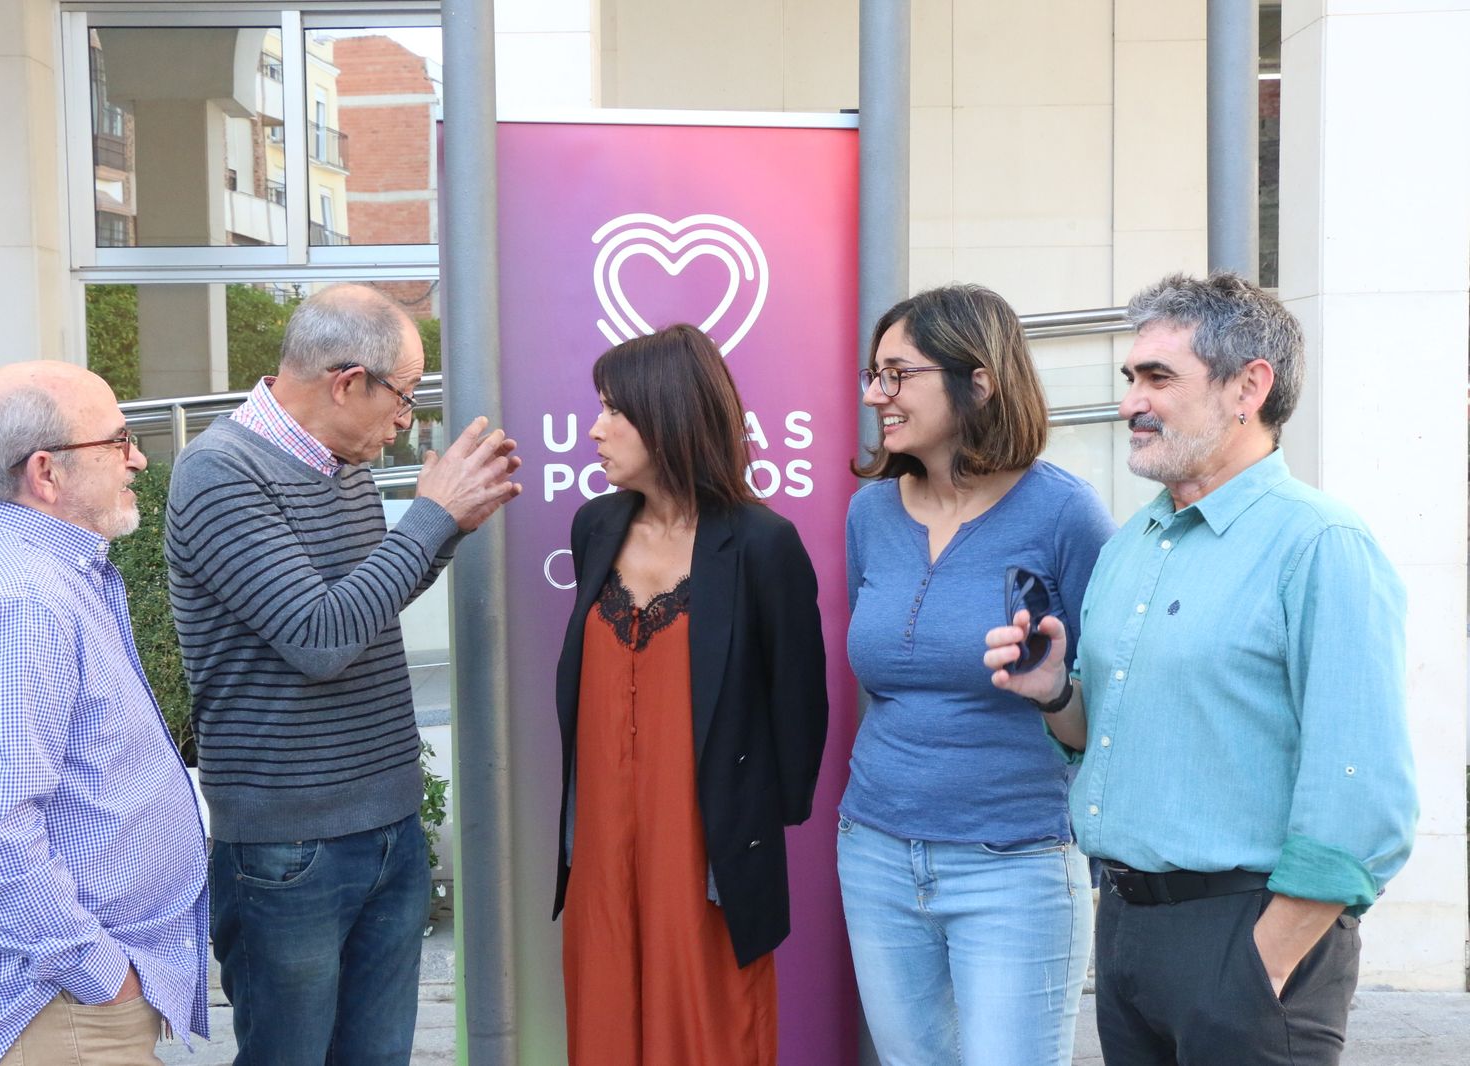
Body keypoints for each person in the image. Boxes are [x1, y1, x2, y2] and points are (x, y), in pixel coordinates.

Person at [985, 272, 1417, 1066]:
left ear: (1250, 386)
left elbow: (1365, 797)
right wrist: (1053, 693)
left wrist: (1264, 962)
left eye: (1159, 378)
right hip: (1126, 932)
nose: (1130, 403)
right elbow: (1103, 736)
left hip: (1248, 942)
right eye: (1130, 378)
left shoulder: (1320, 546)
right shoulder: (1131, 545)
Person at [165, 284, 520, 1065]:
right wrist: (429, 518)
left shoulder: (342, 463)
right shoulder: (219, 472)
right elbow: (319, 637)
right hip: (289, 844)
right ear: (347, 381)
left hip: (386, 824)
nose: (407, 416)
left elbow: (360, 610)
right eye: (404, 393)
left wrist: (447, 530)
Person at [0, 361, 209, 1065]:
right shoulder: (24, 600)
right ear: (47, 473)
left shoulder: (14, 564)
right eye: (119, 441)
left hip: (53, 1001)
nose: (139, 459)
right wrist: (104, 977)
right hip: (51, 1008)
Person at [837, 284, 1115, 1066]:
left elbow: (1109, 721)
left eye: (896, 375)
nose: (873, 395)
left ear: (979, 380)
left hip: (1016, 864)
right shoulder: (871, 513)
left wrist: (1056, 690)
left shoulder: (1066, 516)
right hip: (877, 850)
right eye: (872, 374)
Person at [552, 324, 829, 1066]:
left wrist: (743, 827)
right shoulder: (595, 528)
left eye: (615, 410)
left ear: (668, 415)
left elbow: (799, 713)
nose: (595, 428)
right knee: (604, 1035)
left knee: (710, 1038)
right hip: (602, 858)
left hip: (704, 862)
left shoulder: (763, 544)